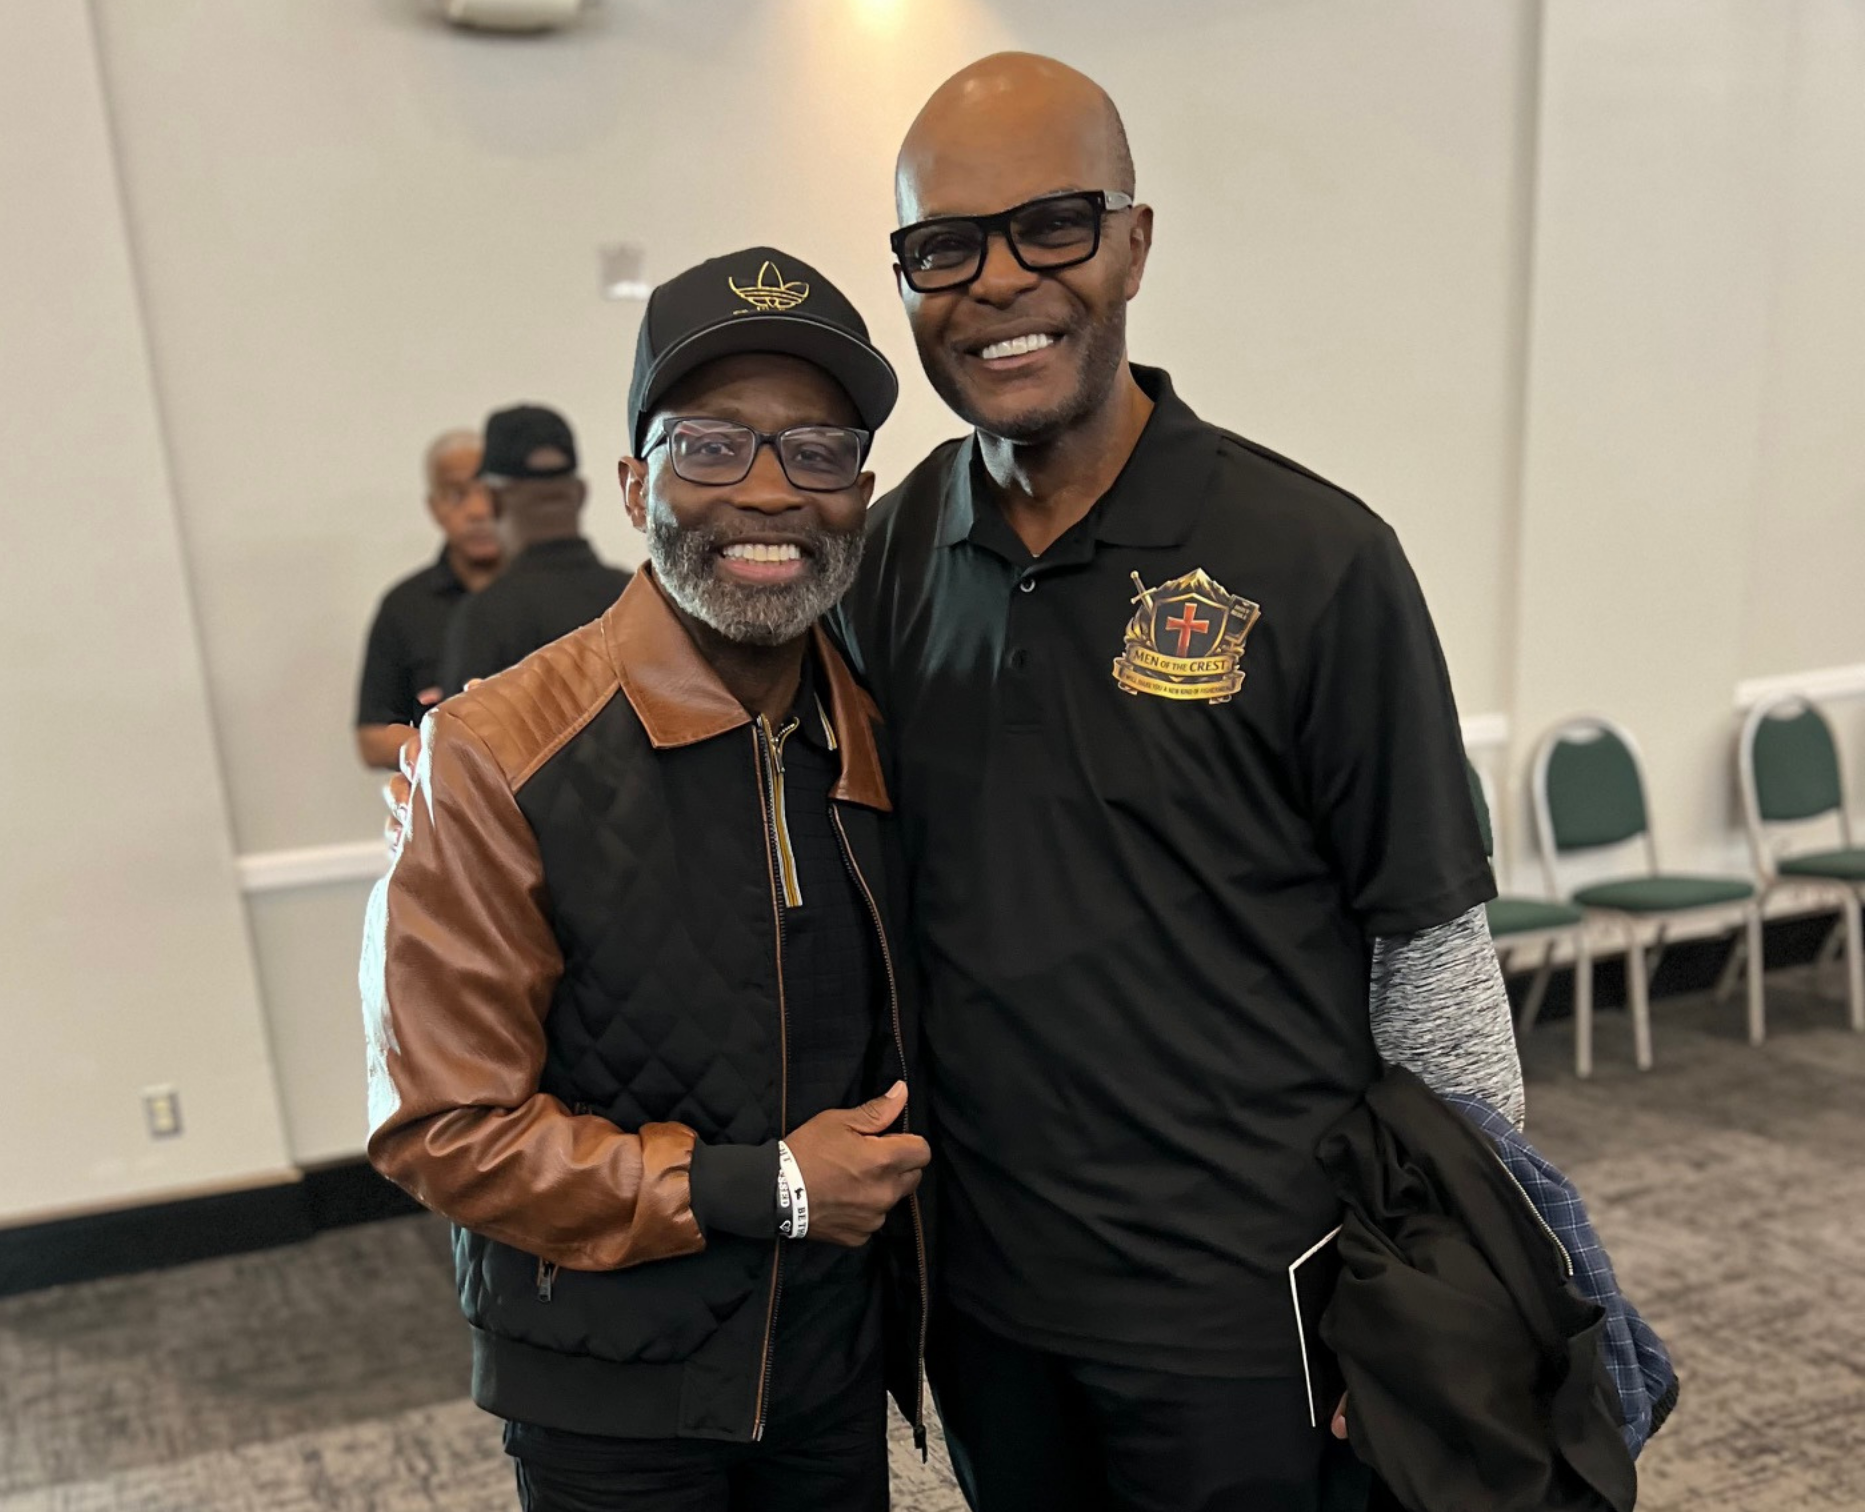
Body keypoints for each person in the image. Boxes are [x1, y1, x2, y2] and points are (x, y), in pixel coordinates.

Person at [830, 53, 1526, 1512]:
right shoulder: (886, 562)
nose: (999, 282)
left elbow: (1436, 965)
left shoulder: (1318, 561)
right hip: (989, 1303)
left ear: (1135, 242)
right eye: (943, 248)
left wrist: (1453, 1300)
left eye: (1054, 226)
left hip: (1253, 1310)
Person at [362, 247, 927, 1512]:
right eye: (713, 446)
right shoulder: (496, 751)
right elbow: (441, 1125)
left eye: (818, 453)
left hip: (830, 1365)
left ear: (863, 492)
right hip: (611, 1394)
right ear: (635, 483)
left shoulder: (877, 734)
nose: (770, 493)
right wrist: (764, 1187)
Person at [438, 403, 630, 694]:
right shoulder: (636, 599)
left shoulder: (485, 619)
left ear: (492, 500)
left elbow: (459, 737)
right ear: (580, 494)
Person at [353, 428, 502, 769]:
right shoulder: (404, 607)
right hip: (451, 803)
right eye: (457, 494)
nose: (478, 510)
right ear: (434, 507)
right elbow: (373, 735)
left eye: (488, 490)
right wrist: (440, 748)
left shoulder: (547, 589)